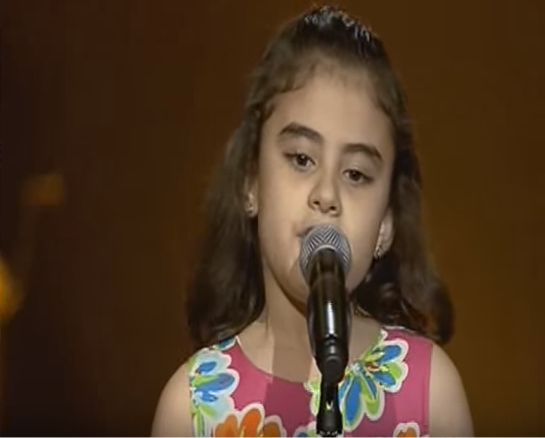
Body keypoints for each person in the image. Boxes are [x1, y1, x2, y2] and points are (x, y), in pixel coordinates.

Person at [152, 5, 473, 437]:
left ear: (386, 222)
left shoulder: (431, 393)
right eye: (302, 159)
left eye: (355, 174)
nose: (326, 195)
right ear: (251, 181)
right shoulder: (191, 409)